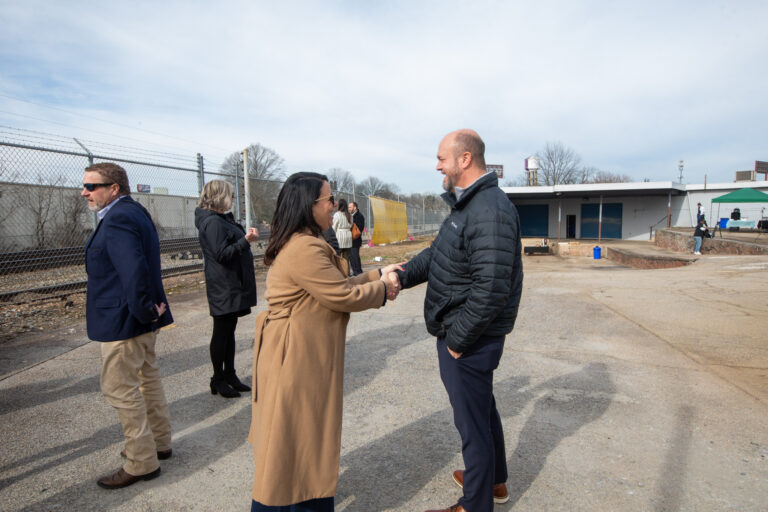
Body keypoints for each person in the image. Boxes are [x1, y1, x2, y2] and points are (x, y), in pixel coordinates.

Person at [249, 172, 401, 511]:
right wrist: (382, 289)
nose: (335, 205)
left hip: (299, 352)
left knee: (298, 444)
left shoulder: (306, 241)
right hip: (295, 358)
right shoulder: (304, 246)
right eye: (328, 200)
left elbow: (337, 284)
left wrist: (378, 274)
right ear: (309, 205)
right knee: (295, 445)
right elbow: (341, 294)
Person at [389, 130, 523, 512]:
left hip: (470, 337)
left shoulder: (489, 210)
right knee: (482, 410)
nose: (437, 166)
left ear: (464, 160)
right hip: (468, 335)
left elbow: (492, 288)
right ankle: (492, 481)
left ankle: (474, 504)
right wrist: (402, 274)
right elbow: (440, 253)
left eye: (441, 158)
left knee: (472, 425)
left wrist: (458, 340)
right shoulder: (468, 205)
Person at [81, 163, 173, 489]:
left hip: (126, 320)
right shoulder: (135, 212)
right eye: (86, 186)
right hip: (141, 315)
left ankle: (141, 461)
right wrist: (151, 311)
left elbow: (134, 271)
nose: (85, 192)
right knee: (147, 380)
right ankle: (159, 444)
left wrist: (145, 310)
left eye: (92, 187)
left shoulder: (118, 217)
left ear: (114, 188)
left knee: (120, 388)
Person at [195, 180, 258, 399]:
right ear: (219, 196)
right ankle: (218, 379)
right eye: (230, 195)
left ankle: (230, 375)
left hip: (231, 284)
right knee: (221, 333)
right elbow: (222, 254)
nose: (233, 199)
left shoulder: (221, 219)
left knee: (229, 332)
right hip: (223, 285)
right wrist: (246, 241)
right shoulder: (212, 222)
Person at [332, 197, 353, 268]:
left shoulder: (337, 215)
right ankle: (347, 274)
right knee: (346, 259)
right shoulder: (349, 215)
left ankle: (339, 274)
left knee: (338, 259)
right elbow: (351, 225)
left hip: (339, 238)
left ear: (339, 205)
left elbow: (334, 227)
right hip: (348, 237)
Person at [348, 201, 365, 276]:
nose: (349, 208)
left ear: (355, 207)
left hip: (356, 240)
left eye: (350, 207)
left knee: (355, 256)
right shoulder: (352, 216)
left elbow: (359, 229)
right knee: (351, 257)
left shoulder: (359, 216)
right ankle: (355, 271)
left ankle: (358, 272)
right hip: (351, 240)